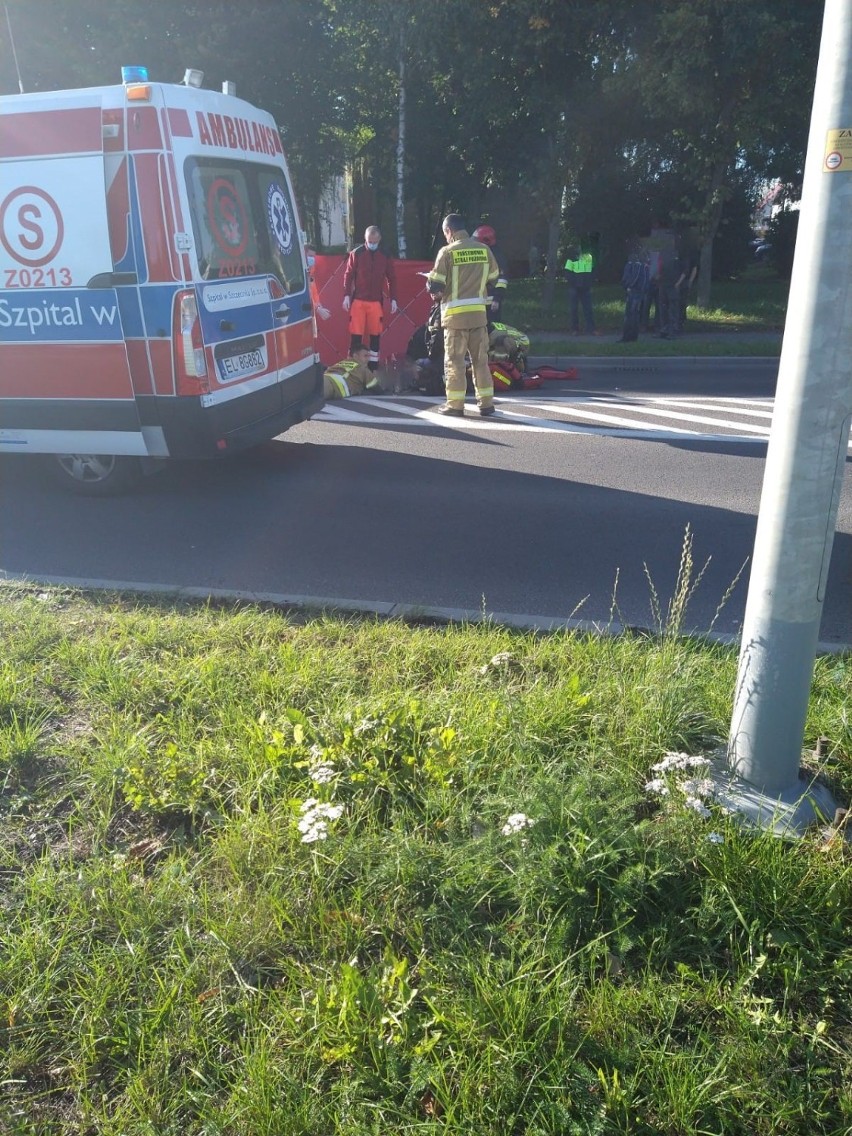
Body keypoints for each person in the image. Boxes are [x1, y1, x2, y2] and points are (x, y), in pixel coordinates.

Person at [426, 213, 500, 417]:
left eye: (445, 234)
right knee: (480, 361)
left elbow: (436, 286)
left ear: (449, 231)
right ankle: (486, 404)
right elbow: (494, 278)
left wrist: (430, 283)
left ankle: (455, 406)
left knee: (455, 362)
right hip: (478, 317)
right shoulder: (484, 250)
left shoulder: (447, 252)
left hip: (455, 319)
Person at [341, 225, 398, 372]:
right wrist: (346, 295)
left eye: (374, 241)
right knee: (355, 337)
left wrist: (394, 299)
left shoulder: (385, 255)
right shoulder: (357, 253)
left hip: (375, 303)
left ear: (379, 239)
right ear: (365, 239)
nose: (371, 244)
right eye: (369, 241)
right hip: (358, 301)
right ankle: (352, 370)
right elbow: (348, 275)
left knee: (375, 337)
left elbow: (392, 278)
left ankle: (373, 370)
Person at [473, 224, 508, 322]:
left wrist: (497, 299)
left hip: (492, 303)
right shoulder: (483, 253)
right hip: (481, 301)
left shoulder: (498, 257)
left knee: (492, 331)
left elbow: (502, 280)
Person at [562, 244, 599, 335]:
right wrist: (574, 282)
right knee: (574, 310)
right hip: (574, 287)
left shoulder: (588, 258)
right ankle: (575, 329)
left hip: (585, 287)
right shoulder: (571, 258)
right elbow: (567, 273)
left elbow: (592, 272)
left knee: (588, 309)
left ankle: (590, 329)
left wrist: (589, 283)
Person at [617, 246, 649, 343]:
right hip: (638, 291)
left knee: (630, 315)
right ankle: (633, 336)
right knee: (634, 314)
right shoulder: (643, 264)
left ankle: (628, 337)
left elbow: (634, 276)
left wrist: (628, 286)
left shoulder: (635, 263)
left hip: (634, 291)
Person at [305, 247, 330, 322]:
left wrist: (319, 306)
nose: (312, 259)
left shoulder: (311, 271)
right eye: (309, 256)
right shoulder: (299, 273)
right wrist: (318, 309)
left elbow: (313, 292)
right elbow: (306, 295)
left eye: (313, 257)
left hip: (311, 312)